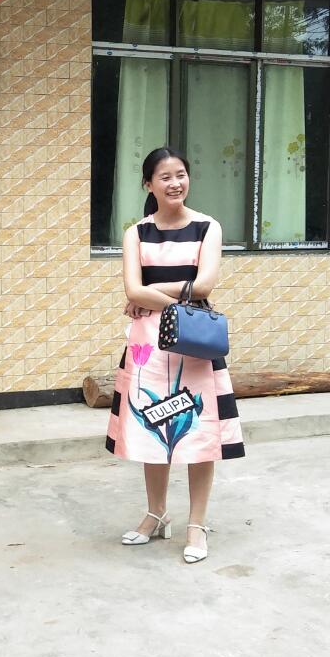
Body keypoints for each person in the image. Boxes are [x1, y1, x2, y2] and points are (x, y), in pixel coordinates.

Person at [105, 146, 245, 564]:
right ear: (148, 184)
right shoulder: (136, 233)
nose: (175, 183)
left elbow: (204, 285)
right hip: (149, 344)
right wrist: (169, 299)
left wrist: (152, 293)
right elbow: (131, 290)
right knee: (154, 428)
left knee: (200, 434)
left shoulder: (207, 227)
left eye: (181, 174)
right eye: (164, 177)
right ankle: (156, 513)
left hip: (193, 342)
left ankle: (196, 524)